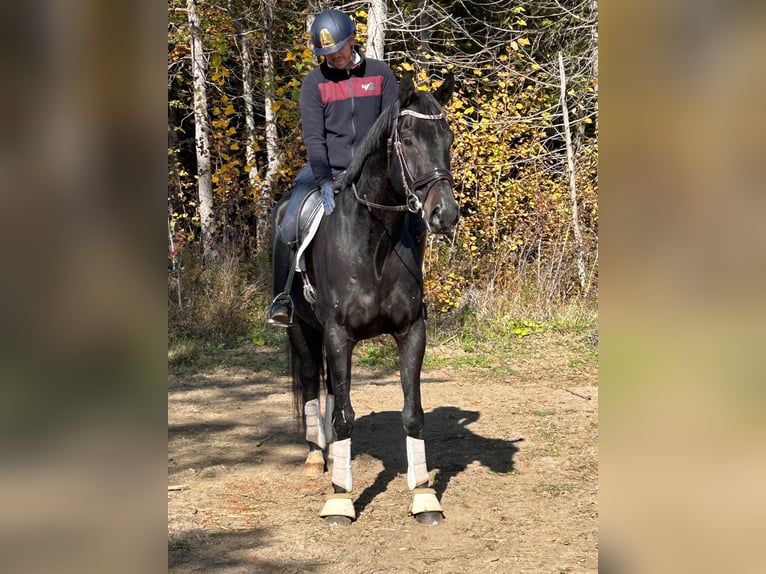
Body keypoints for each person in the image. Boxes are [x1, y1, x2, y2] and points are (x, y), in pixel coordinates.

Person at [268, 8, 398, 326]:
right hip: (327, 168)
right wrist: (325, 178)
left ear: (352, 40)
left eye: (337, 50)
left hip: (373, 171)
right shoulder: (315, 83)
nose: (333, 58)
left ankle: (413, 287)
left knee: (417, 212)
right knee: (288, 215)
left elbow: (391, 128)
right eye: (325, 53)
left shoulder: (381, 75)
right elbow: (314, 137)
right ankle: (281, 297)